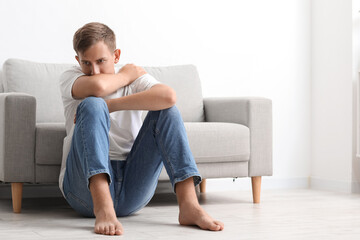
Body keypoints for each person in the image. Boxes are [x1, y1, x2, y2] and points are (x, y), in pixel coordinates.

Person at [59, 22, 224, 236]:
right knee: (93, 103)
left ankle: (189, 205)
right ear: (77, 61)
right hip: (83, 191)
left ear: (116, 56)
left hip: (132, 185)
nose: (94, 71)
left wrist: (112, 105)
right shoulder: (71, 77)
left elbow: (168, 96)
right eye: (86, 63)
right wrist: (125, 76)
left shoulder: (134, 81)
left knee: (167, 110)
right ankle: (103, 207)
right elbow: (98, 88)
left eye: (101, 61)